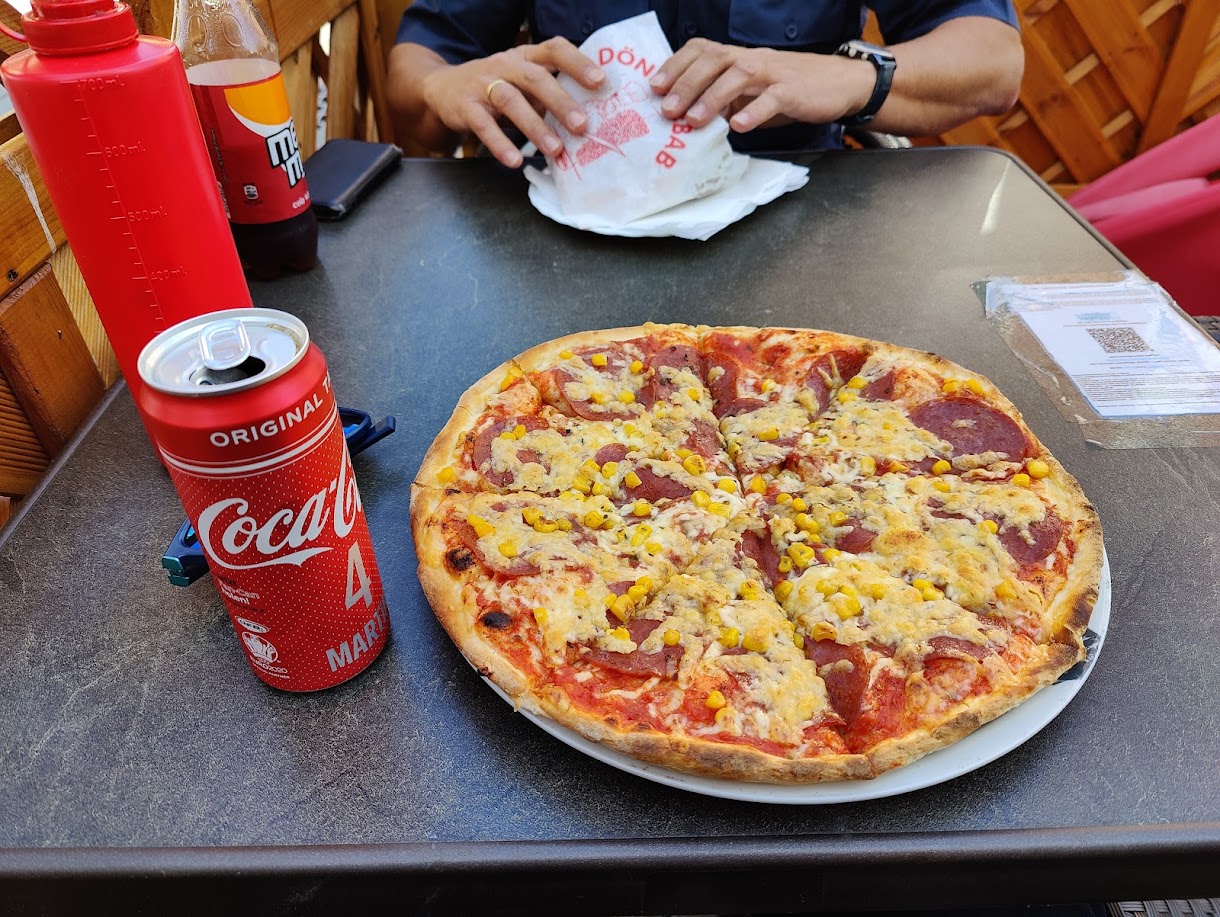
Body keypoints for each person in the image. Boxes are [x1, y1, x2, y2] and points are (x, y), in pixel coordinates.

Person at [387, 1, 1023, 168]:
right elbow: (419, 73)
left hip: (802, 223)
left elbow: (994, 64)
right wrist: (442, 87)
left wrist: (850, 76)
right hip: (563, 225)